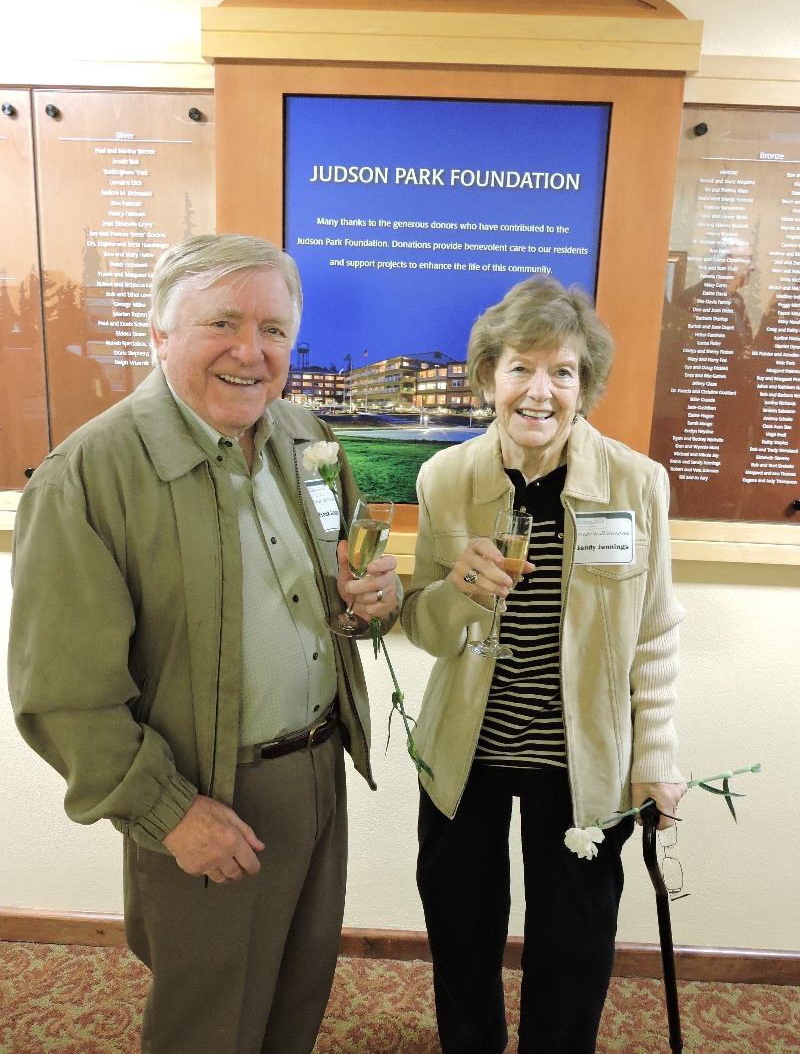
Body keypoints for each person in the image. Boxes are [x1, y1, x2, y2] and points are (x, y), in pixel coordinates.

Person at [8, 234, 400, 1054]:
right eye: (222, 321)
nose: (251, 351)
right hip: (210, 794)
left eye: (274, 330)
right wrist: (170, 812)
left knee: (296, 1001)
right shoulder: (88, 475)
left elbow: (344, 582)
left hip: (319, 774)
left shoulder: (305, 436)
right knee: (209, 1026)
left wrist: (375, 599)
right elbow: (63, 694)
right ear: (159, 333)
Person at [400, 275, 686, 1054]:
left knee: (574, 946)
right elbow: (422, 627)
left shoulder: (637, 484)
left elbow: (654, 633)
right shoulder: (446, 478)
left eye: (563, 371)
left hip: (581, 761)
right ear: (488, 375)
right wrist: (457, 589)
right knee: (461, 933)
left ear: (584, 385)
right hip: (466, 755)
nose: (540, 390)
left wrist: (656, 756)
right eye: (521, 367)